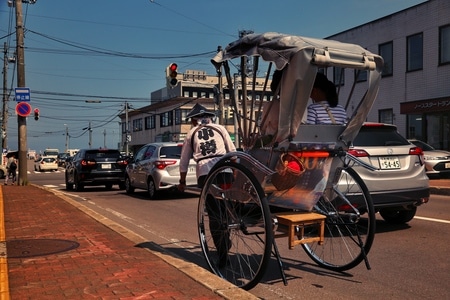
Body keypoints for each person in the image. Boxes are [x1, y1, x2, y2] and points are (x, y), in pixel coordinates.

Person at [178, 103, 236, 268]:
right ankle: (225, 240)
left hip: (205, 173)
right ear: (210, 117)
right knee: (224, 209)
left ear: (195, 120)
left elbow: (184, 161)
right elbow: (232, 151)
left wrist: (182, 182)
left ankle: (223, 253)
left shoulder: (191, 133)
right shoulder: (220, 128)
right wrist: (236, 172)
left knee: (213, 212)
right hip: (225, 170)